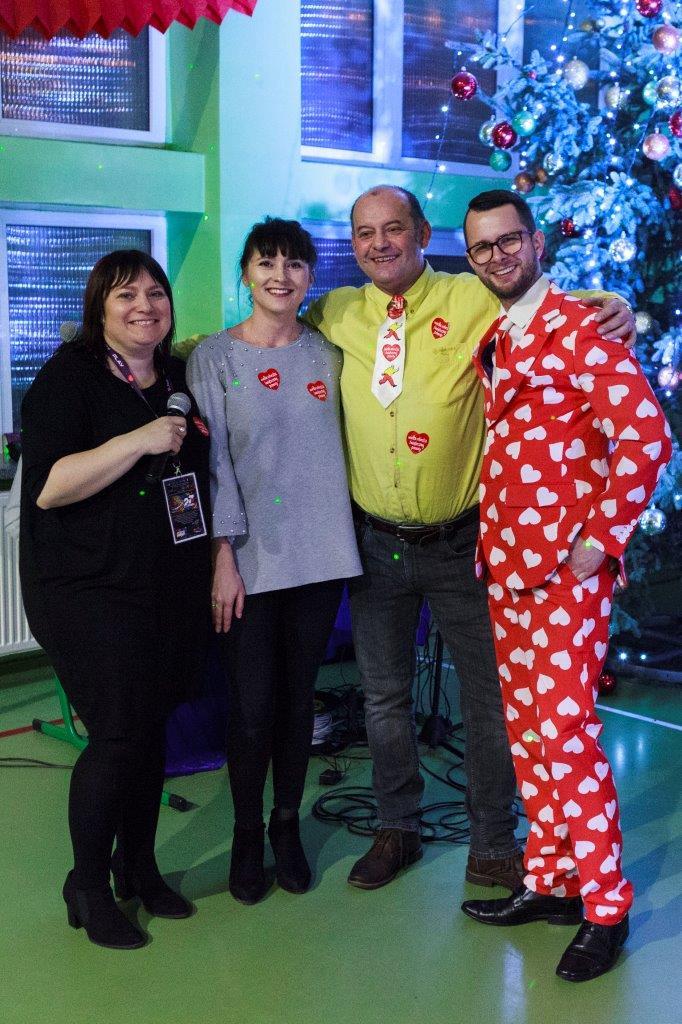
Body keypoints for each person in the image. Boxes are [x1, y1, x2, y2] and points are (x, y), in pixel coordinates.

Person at [305, 184, 636, 892]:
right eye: (364, 233)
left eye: (394, 228)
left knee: (489, 700)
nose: (380, 244)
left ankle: (493, 842)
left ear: (424, 234)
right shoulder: (333, 312)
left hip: (464, 543)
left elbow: (544, 300)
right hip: (375, 544)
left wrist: (615, 302)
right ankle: (397, 829)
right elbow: (258, 333)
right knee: (383, 698)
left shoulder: (472, 296)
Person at [459, 189, 671, 982]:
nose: (498, 256)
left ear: (537, 242)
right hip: (506, 565)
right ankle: (550, 879)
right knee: (530, 734)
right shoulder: (499, 334)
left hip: (565, 574)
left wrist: (600, 541)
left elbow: (647, 436)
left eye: (509, 240)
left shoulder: (581, 326)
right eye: (483, 247)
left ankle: (606, 906)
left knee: (567, 734)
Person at [20, 250, 211, 950]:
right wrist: (139, 440)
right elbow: (50, 487)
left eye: (155, 294)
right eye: (126, 295)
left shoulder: (177, 378)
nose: (144, 307)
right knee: (119, 734)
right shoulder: (68, 379)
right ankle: (88, 885)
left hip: (163, 584)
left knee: (151, 728)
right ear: (99, 307)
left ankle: (140, 868)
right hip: (86, 588)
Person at [186, 218, 362, 905]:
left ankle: (286, 825)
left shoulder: (330, 353)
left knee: (296, 703)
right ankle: (246, 833)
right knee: (252, 706)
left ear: (310, 277)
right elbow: (211, 465)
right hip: (248, 560)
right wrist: (222, 555)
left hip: (320, 556)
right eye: (266, 262)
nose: (280, 276)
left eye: (294, 264)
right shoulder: (214, 358)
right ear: (246, 272)